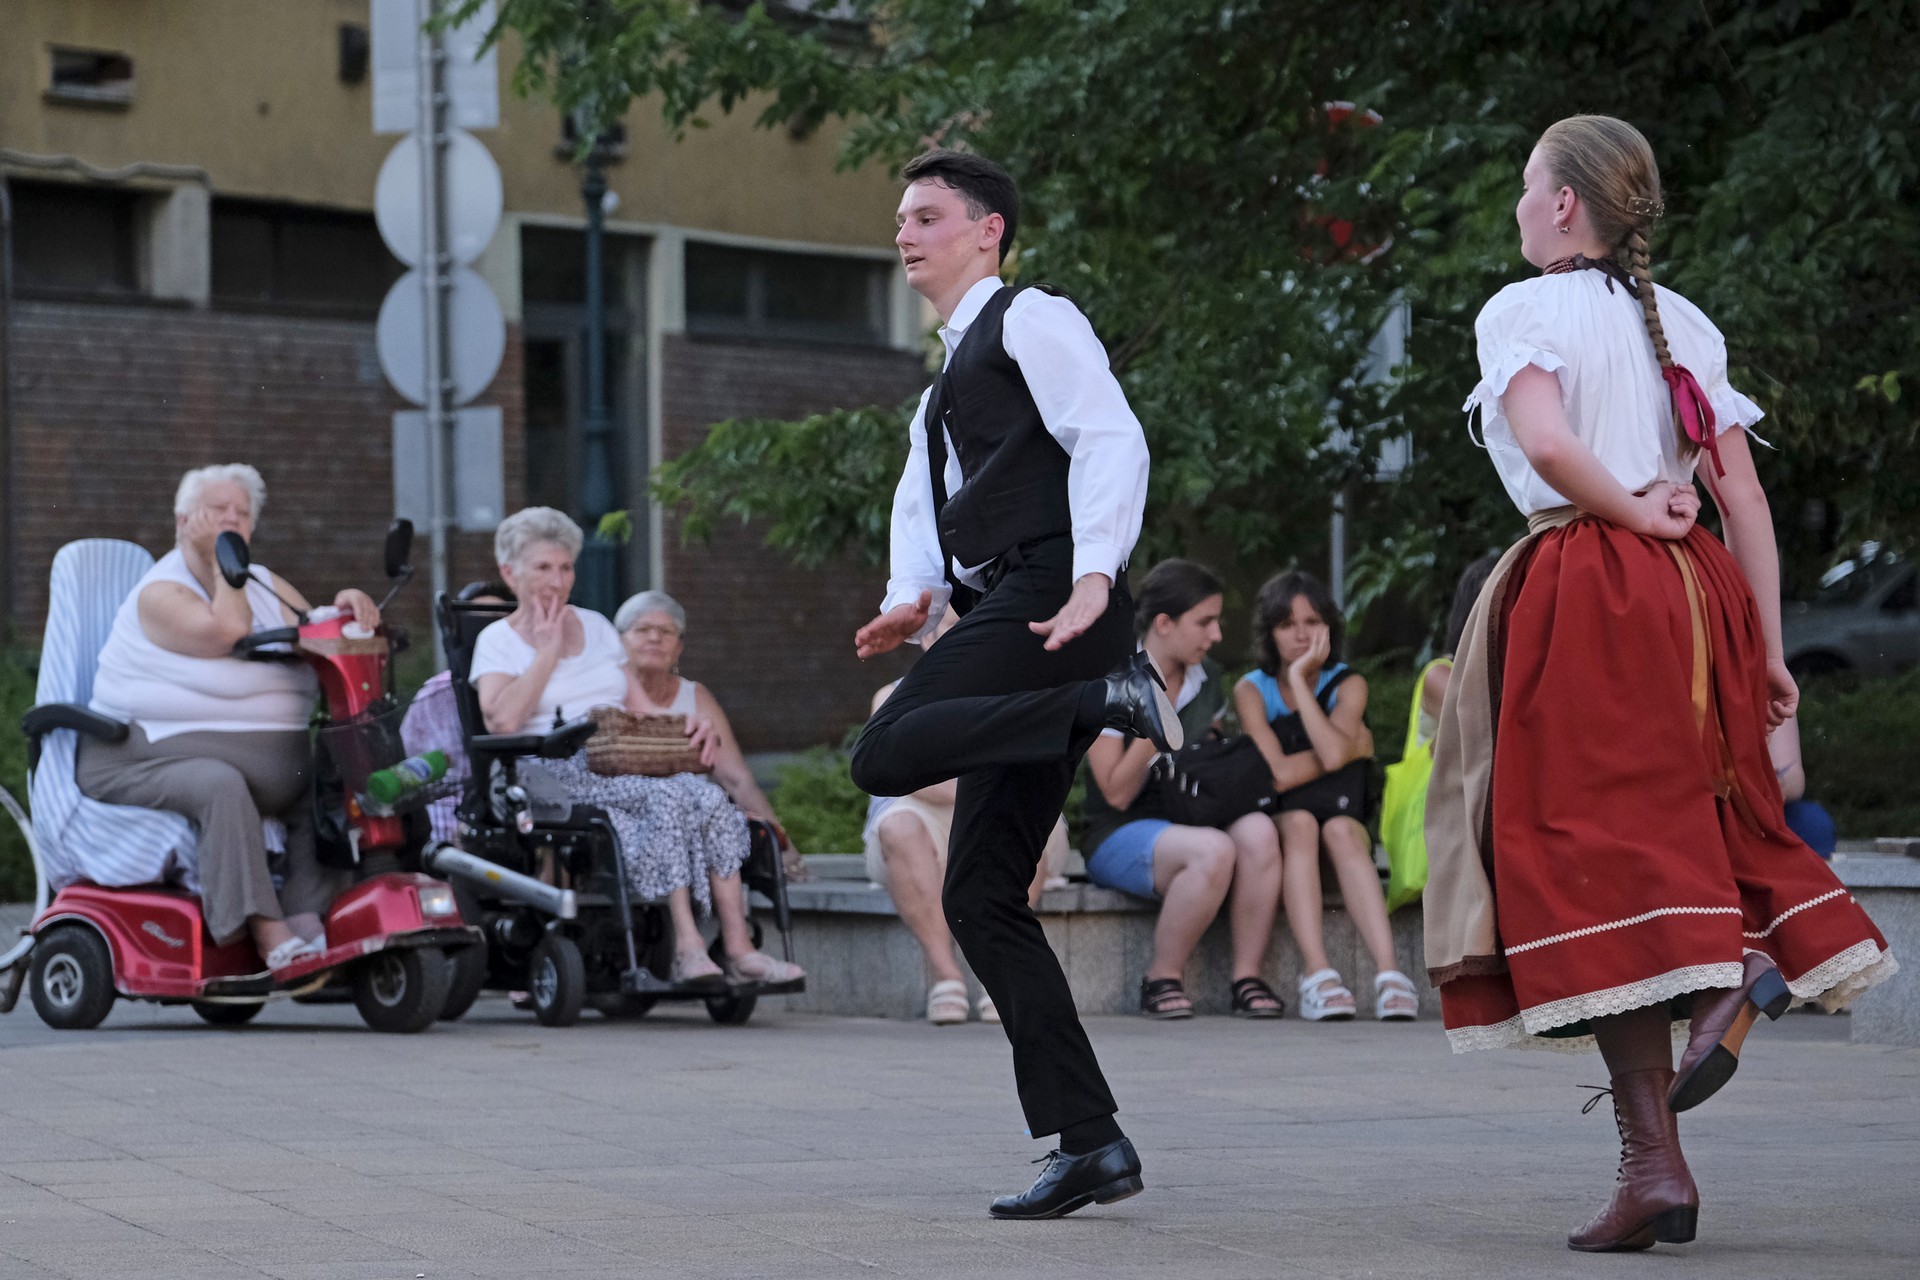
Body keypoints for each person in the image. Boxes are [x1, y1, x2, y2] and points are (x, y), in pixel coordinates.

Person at [1426, 115, 1894, 1252]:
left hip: (1594, 590)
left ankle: (1728, 979)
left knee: (1574, 853)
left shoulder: (1524, 308)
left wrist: (1630, 516)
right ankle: (1656, 1162)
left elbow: (1546, 446)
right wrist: (1768, 648)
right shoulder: (1681, 320)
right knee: (1682, 830)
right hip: (1703, 594)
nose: (1520, 205)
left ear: (1564, 205)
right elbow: (1745, 501)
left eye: (1528, 185)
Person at [848, 149, 1176, 1219]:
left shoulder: (1033, 317)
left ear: (988, 231)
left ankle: (1104, 699)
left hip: (1054, 593)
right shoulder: (941, 386)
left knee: (882, 751)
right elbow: (922, 507)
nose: (905, 233)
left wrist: (1095, 576)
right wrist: (910, 598)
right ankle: (1091, 1143)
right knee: (982, 894)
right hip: (1016, 600)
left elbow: (1109, 436)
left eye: (926, 215)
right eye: (902, 218)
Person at [470, 507, 803, 988]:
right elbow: (501, 722)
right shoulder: (497, 640)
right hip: (547, 771)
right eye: (543, 567)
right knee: (668, 798)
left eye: (565, 568)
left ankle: (737, 948)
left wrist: (689, 728)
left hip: (621, 762)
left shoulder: (597, 627)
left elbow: (642, 710)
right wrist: (547, 651)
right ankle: (686, 948)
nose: (557, 581)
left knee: (708, 797)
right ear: (510, 573)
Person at [78, 464, 370, 969]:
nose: (233, 519)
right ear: (184, 520)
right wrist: (223, 563)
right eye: (218, 510)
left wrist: (349, 607)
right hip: (134, 753)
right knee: (219, 784)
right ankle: (266, 932)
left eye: (243, 513)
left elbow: (316, 630)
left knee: (327, 777)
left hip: (266, 763)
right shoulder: (161, 592)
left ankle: (310, 921)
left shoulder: (263, 583)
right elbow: (229, 631)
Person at [1082, 559, 1285, 1019]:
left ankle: (1247, 978)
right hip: (1118, 832)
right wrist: (1156, 721)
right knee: (1212, 850)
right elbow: (1115, 793)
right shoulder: (1111, 679)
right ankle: (1161, 978)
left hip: (1190, 818)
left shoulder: (1205, 677)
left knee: (1259, 832)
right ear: (1164, 623)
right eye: (1205, 622)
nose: (1216, 635)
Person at [863, 610, 1073, 1025]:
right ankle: (947, 977)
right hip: (921, 819)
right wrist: (985, 786)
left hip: (1001, 813)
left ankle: (1000, 977)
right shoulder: (893, 697)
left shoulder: (1019, 691)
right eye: (953, 629)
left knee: (1029, 822)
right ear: (926, 639)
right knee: (900, 828)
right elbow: (903, 775)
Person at [1235, 570, 1416, 1022]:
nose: (1301, 635)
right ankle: (1317, 975)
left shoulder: (1348, 682)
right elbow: (1281, 774)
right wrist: (1354, 746)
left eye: (1312, 622)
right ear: (1269, 633)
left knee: (1340, 831)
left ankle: (1390, 974)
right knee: (1300, 823)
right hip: (1285, 820)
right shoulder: (1251, 689)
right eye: (1287, 624)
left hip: (1341, 817)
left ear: (1330, 627)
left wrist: (1301, 683)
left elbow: (1332, 755)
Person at [614, 588, 808, 884]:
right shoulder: (605, 693)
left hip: (698, 824)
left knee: (727, 826)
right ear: (619, 640)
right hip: (628, 822)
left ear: (679, 648)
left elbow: (737, 780)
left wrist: (784, 848)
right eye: (642, 629)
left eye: (666, 631)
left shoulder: (696, 696)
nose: (654, 638)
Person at [402, 580, 513, 846]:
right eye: (477, 621)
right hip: (445, 832)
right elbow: (410, 768)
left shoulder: (534, 687)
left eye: (496, 621)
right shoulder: (435, 695)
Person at [1769, 713, 1837, 858]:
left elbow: (1793, 776)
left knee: (1813, 823)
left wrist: (1781, 783)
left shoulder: (1771, 700)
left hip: (1764, 804)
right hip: (1721, 806)